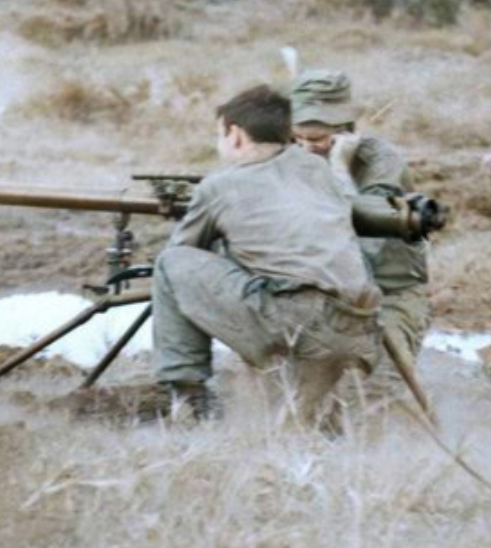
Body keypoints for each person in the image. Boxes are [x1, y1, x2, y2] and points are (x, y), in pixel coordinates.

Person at [151, 84, 382, 425]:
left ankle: (188, 399)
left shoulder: (218, 186)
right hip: (359, 328)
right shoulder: (317, 169)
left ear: (235, 134)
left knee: (170, 264)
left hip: (296, 323)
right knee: (298, 431)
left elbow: (184, 252)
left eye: (220, 134)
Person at [289, 70, 430, 405]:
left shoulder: (381, 161)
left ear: (345, 131)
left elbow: (365, 242)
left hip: (387, 293)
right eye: (299, 139)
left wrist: (339, 170)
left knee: (370, 402)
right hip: (316, 294)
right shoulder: (289, 158)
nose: (307, 149)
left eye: (319, 140)